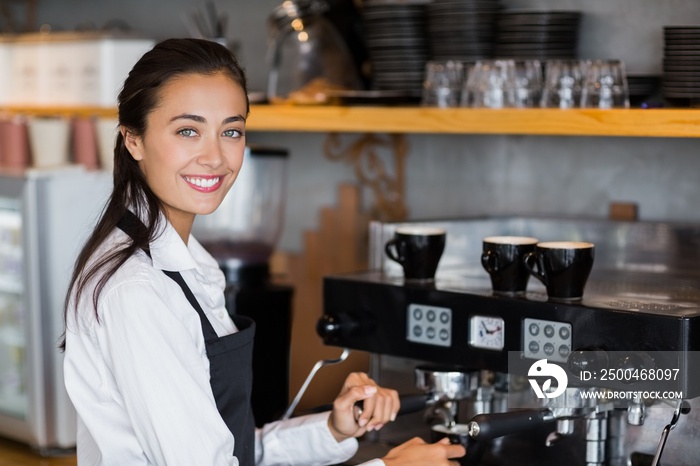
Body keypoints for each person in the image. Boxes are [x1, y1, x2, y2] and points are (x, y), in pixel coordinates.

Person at [61, 38, 466, 466]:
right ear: (134, 140)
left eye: (230, 131)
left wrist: (331, 429)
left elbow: (231, 447)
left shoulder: (187, 265)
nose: (215, 156)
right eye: (187, 131)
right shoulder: (138, 291)